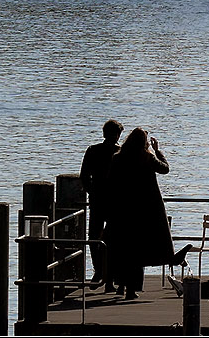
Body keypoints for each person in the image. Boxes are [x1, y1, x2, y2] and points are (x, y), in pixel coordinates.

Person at [103, 128, 191, 300]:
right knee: (138, 250)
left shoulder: (117, 158)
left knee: (123, 248)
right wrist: (158, 151)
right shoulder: (146, 157)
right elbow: (165, 169)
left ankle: (120, 285)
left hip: (122, 211)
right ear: (145, 142)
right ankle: (131, 289)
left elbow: (111, 184)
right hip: (144, 211)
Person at [79, 119, 123, 290]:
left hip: (97, 201)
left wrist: (92, 191)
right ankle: (109, 280)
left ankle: (99, 271)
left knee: (94, 238)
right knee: (113, 242)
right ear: (118, 135)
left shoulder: (93, 150)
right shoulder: (120, 153)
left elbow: (84, 176)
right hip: (116, 203)